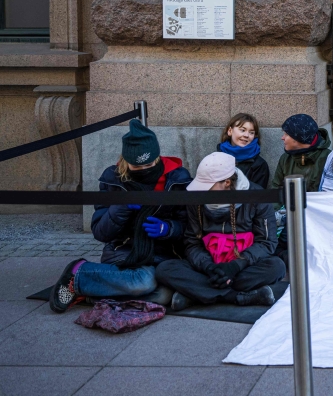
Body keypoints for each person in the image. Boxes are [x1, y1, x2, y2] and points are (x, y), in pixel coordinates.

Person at [49, 120, 192, 313]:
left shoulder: (177, 179)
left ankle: (93, 293)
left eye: (149, 164)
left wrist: (167, 229)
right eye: (136, 166)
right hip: (124, 252)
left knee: (162, 295)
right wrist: (121, 207)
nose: (144, 170)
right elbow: (100, 232)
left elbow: (189, 227)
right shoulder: (112, 179)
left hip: (163, 254)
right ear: (126, 161)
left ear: (157, 157)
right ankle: (79, 273)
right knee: (144, 283)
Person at [155, 152, 285, 310]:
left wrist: (235, 266)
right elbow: (192, 242)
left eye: (207, 185)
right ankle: (235, 296)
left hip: (242, 266)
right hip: (208, 266)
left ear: (227, 182)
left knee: (277, 266)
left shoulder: (256, 196)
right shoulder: (195, 200)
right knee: (165, 269)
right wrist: (208, 267)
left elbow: (266, 242)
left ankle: (197, 294)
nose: (202, 190)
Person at [269, 113, 332, 192]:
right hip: (289, 204)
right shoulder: (285, 159)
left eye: (286, 134)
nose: (282, 138)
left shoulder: (329, 159)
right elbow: (276, 191)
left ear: (299, 137)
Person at [217, 112, 269, 188]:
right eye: (242, 130)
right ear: (230, 131)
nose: (246, 135)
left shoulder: (259, 165)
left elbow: (258, 195)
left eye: (251, 132)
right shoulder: (216, 158)